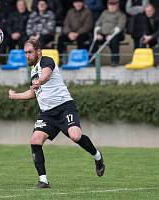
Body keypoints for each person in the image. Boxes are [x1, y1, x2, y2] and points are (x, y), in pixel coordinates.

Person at [8, 39, 105, 189]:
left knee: (75, 136)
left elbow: (46, 75)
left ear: (38, 52)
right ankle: (43, 181)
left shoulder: (46, 61)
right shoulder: (33, 71)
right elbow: (33, 93)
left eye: (30, 52)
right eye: (25, 53)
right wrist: (15, 96)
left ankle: (97, 157)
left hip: (65, 108)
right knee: (35, 141)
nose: (27, 55)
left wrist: (40, 80)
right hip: (47, 114)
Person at [92, 0, 126, 66]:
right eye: (110, 5)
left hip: (115, 34)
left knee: (114, 41)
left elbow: (120, 26)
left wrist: (111, 34)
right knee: (92, 40)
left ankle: (114, 61)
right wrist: (98, 33)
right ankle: (92, 60)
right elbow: (98, 23)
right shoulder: (104, 13)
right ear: (108, 5)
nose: (112, 6)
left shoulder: (121, 14)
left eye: (114, 5)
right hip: (103, 34)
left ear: (117, 5)